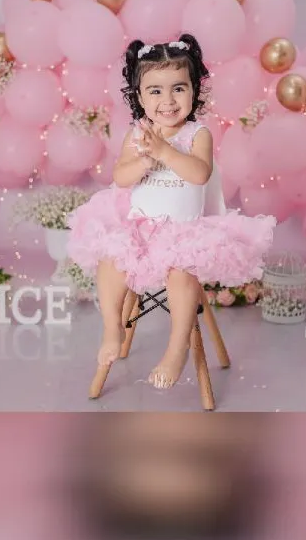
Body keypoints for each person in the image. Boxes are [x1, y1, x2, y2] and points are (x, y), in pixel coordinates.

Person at [67, 34, 276, 389]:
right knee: (111, 261)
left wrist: (164, 152)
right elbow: (120, 176)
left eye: (178, 88)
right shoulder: (137, 135)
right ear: (138, 96)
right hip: (139, 227)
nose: (168, 100)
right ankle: (112, 328)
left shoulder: (199, 135)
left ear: (195, 90)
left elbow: (199, 173)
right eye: (155, 91)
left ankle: (176, 349)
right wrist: (144, 158)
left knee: (182, 274)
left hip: (185, 233)